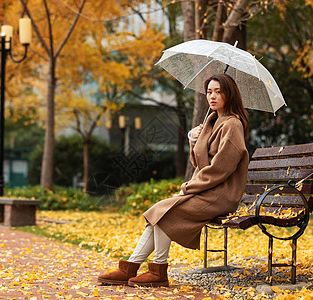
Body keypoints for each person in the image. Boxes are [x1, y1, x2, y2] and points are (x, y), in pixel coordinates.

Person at [98, 73, 250, 287]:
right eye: (209, 92)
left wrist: (188, 188)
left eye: (218, 91)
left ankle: (158, 271)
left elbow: (220, 169)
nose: (212, 96)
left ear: (229, 94)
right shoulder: (212, 121)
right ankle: (130, 268)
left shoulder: (232, 125)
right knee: (159, 211)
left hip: (221, 194)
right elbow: (199, 163)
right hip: (207, 189)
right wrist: (193, 139)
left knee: (166, 212)